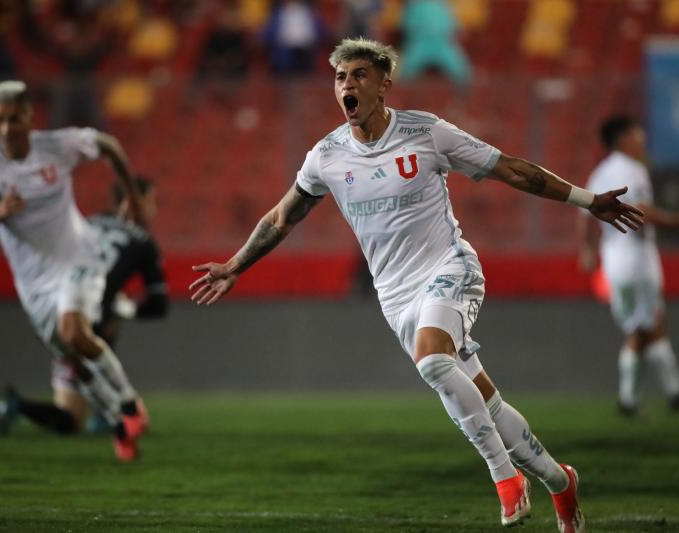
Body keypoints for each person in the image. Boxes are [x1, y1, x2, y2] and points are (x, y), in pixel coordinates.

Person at [190, 38, 644, 532]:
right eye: (340, 77)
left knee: (432, 360)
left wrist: (586, 200)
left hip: (450, 268)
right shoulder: (325, 156)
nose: (348, 85)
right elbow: (282, 216)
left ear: (384, 85)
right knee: (483, 401)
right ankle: (561, 482)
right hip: (396, 296)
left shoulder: (427, 133)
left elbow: (511, 169)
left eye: (359, 75)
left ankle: (505, 479)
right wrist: (236, 264)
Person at [0, 80, 147, 461]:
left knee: (72, 331)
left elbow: (108, 145)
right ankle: (120, 427)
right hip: (33, 284)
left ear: (30, 117)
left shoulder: (57, 146)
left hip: (79, 257)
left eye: (14, 119)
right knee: (74, 358)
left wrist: (130, 193)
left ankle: (130, 405)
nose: (6, 128)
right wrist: (1, 211)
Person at [0, 176, 169, 436]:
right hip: (88, 320)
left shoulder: (85, 224)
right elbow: (159, 305)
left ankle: (20, 405)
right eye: (151, 202)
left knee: (73, 408)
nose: (153, 210)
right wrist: (125, 309)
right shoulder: (143, 241)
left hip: (58, 312)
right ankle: (113, 412)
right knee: (105, 329)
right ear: (134, 201)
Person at [579, 114, 679, 417]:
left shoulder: (599, 173)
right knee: (646, 325)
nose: (642, 138)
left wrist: (587, 249)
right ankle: (636, 400)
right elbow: (641, 209)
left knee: (645, 325)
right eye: (637, 132)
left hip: (613, 257)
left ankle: (664, 395)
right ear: (623, 138)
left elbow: (585, 213)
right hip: (636, 255)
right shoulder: (632, 170)